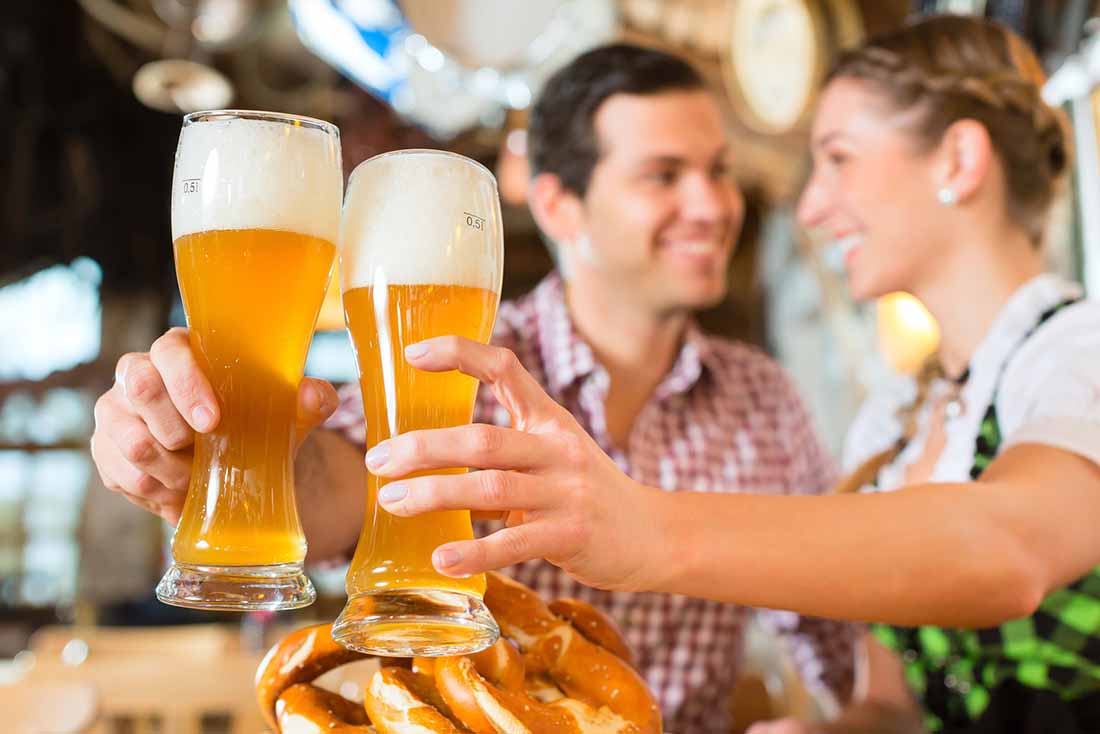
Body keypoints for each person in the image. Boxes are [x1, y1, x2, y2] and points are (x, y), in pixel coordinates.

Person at [352, 15, 1100, 734]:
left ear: (959, 162)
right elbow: (895, 707)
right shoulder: (900, 417)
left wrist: (644, 527)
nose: (808, 203)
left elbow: (1006, 551)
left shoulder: (1080, 351)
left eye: (837, 158)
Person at [89, 44, 859, 732]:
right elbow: (343, 483)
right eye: (665, 175)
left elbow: (837, 639)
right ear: (557, 204)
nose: (714, 204)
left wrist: (851, 723)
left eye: (720, 170)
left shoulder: (765, 396)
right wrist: (201, 449)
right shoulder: (465, 357)